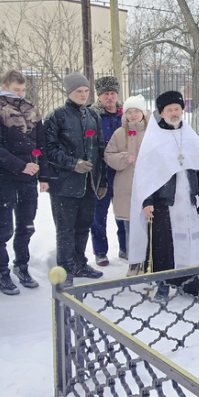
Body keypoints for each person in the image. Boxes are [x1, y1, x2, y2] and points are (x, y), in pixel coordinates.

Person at [127, 91, 199, 301]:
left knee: (191, 243)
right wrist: (147, 201)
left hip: (188, 202)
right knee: (163, 246)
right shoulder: (154, 139)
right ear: (161, 113)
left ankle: (191, 285)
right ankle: (163, 284)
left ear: (182, 110)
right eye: (169, 110)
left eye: (177, 109)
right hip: (164, 203)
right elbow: (147, 176)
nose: (174, 113)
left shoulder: (189, 136)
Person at [0, 70, 50, 295]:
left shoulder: (30, 108)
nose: (19, 93)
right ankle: (1, 271)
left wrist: (43, 171)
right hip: (5, 177)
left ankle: (22, 265)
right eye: (15, 89)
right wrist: (20, 165)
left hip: (29, 177)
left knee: (26, 225)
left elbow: (40, 143)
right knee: (3, 227)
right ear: (3, 86)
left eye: (22, 89)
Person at [45, 73, 107, 286]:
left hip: (89, 185)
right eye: (78, 91)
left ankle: (80, 263)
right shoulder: (56, 117)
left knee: (83, 226)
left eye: (86, 91)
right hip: (64, 185)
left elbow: (100, 149)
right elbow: (50, 149)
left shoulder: (92, 116)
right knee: (65, 229)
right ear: (69, 92)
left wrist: (103, 181)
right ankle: (65, 269)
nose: (83, 94)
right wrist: (73, 163)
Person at [103, 95, 150, 277]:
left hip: (147, 185)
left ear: (143, 113)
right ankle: (133, 261)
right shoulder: (118, 133)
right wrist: (123, 158)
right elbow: (108, 155)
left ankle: (148, 261)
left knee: (148, 225)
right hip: (126, 186)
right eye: (129, 112)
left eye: (136, 111)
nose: (133, 115)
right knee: (131, 227)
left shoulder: (151, 132)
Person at [90, 76, 126, 267]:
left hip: (123, 172)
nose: (110, 97)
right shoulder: (92, 115)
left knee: (123, 212)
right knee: (99, 214)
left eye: (112, 93)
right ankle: (100, 251)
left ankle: (125, 247)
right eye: (106, 94)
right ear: (100, 96)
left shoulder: (126, 115)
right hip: (100, 172)